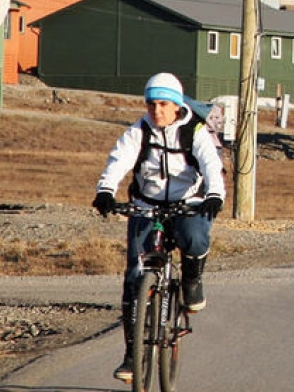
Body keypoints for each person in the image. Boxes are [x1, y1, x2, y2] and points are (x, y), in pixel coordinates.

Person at [91, 72, 225, 382]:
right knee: (134, 279)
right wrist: (106, 191)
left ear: (177, 105)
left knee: (195, 237)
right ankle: (131, 355)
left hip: (187, 202)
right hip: (147, 205)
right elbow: (118, 160)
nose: (156, 111)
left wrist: (215, 195)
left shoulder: (196, 131)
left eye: (163, 104)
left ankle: (192, 281)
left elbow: (210, 165)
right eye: (151, 104)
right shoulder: (139, 130)